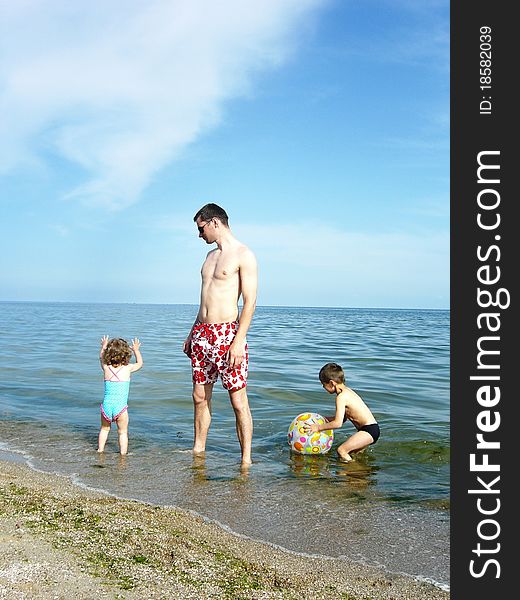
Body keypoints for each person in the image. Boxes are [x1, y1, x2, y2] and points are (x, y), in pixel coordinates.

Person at [183, 203, 257, 465]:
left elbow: (249, 302)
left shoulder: (243, 254)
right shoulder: (209, 257)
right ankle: (198, 450)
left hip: (227, 335)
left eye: (201, 228)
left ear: (214, 222)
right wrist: (193, 332)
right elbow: (204, 299)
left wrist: (239, 341)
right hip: (202, 332)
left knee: (238, 401)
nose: (200, 235)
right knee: (199, 397)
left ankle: (246, 459)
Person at [304, 362, 380, 462]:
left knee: (342, 451)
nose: (323, 388)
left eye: (323, 384)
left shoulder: (341, 397)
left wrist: (318, 428)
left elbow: (338, 423)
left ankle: (354, 468)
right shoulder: (347, 392)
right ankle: (358, 474)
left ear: (331, 383)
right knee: (353, 454)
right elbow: (343, 419)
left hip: (368, 430)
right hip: (371, 429)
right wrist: (324, 419)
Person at [98, 335, 143, 455]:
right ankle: (123, 455)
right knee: (122, 432)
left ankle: (100, 450)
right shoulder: (127, 368)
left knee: (104, 429)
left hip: (106, 407)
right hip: (120, 408)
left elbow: (101, 358)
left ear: (109, 354)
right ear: (126, 354)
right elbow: (139, 364)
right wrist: (137, 350)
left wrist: (103, 347)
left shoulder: (106, 368)